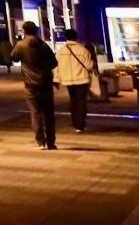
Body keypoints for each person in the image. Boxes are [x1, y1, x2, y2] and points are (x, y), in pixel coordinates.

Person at [11, 21, 59, 149]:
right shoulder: (43, 45)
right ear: (36, 31)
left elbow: (14, 57)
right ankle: (51, 142)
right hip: (45, 83)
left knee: (35, 112)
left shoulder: (21, 45)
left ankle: (40, 141)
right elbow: (54, 63)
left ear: (24, 31)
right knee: (49, 113)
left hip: (30, 84)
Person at [55, 28, 102, 133]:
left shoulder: (60, 51)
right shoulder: (82, 50)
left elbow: (56, 67)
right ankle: (80, 125)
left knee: (73, 101)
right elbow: (89, 66)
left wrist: (56, 79)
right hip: (81, 79)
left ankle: (75, 122)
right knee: (81, 102)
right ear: (76, 37)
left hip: (68, 80)